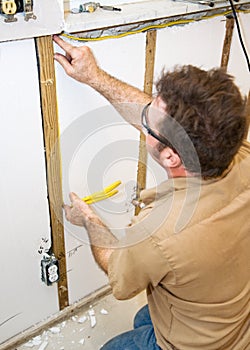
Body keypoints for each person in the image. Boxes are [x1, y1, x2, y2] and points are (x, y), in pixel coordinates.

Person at [53, 35, 250, 350]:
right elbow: (162, 124)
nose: (142, 121)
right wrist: (95, 77)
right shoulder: (239, 154)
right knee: (146, 317)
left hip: (201, 345)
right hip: (233, 317)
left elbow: (119, 274)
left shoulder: (161, 231)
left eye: (148, 121)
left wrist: (88, 219)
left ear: (172, 156)